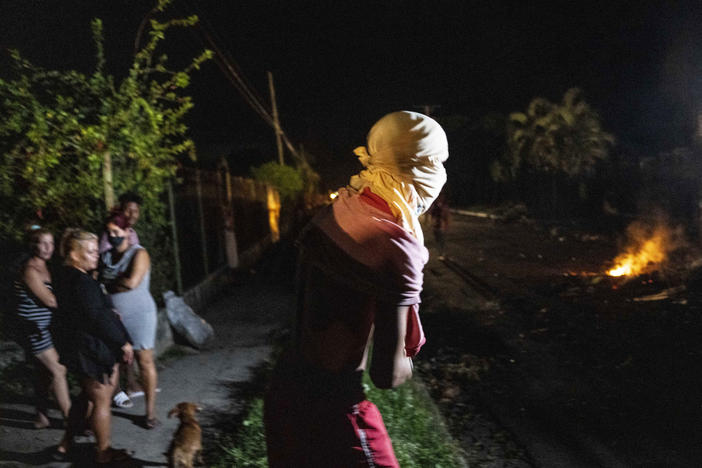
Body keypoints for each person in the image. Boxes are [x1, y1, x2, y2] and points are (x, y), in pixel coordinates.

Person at [263, 111, 448, 467]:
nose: (440, 175)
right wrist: (408, 358)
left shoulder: (339, 208)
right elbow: (388, 374)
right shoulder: (394, 243)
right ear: (419, 166)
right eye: (437, 163)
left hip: (284, 395)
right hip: (334, 411)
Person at [52, 228, 134, 463]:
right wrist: (123, 342)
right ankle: (103, 453)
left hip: (76, 345)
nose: (96, 255)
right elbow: (97, 317)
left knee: (85, 397)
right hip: (90, 348)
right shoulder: (82, 282)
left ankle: (65, 445)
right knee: (101, 399)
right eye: (90, 251)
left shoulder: (64, 276)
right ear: (75, 254)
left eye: (96, 250)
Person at [100, 213, 159, 429]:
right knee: (111, 362)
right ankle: (101, 410)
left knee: (144, 360)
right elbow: (100, 281)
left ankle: (150, 413)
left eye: (117, 232)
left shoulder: (139, 253)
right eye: (110, 232)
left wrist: (108, 283)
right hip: (114, 316)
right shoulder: (106, 256)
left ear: (127, 232)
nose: (114, 236)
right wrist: (111, 282)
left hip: (140, 314)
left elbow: (131, 282)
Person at [13, 226, 71, 428]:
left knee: (44, 373)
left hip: (44, 327)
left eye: (51, 243)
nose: (48, 248)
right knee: (58, 369)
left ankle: (42, 417)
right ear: (33, 245)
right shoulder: (30, 270)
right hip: (33, 328)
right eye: (43, 243)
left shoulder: (47, 266)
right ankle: (70, 420)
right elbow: (50, 301)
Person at [430, 189, 450, 259]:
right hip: (435, 226)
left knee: (442, 240)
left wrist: (446, 225)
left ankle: (442, 253)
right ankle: (440, 253)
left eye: (441, 196)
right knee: (437, 240)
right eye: (439, 196)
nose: (440, 197)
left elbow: (447, 216)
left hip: (442, 226)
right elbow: (432, 215)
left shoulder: (444, 206)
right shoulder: (434, 205)